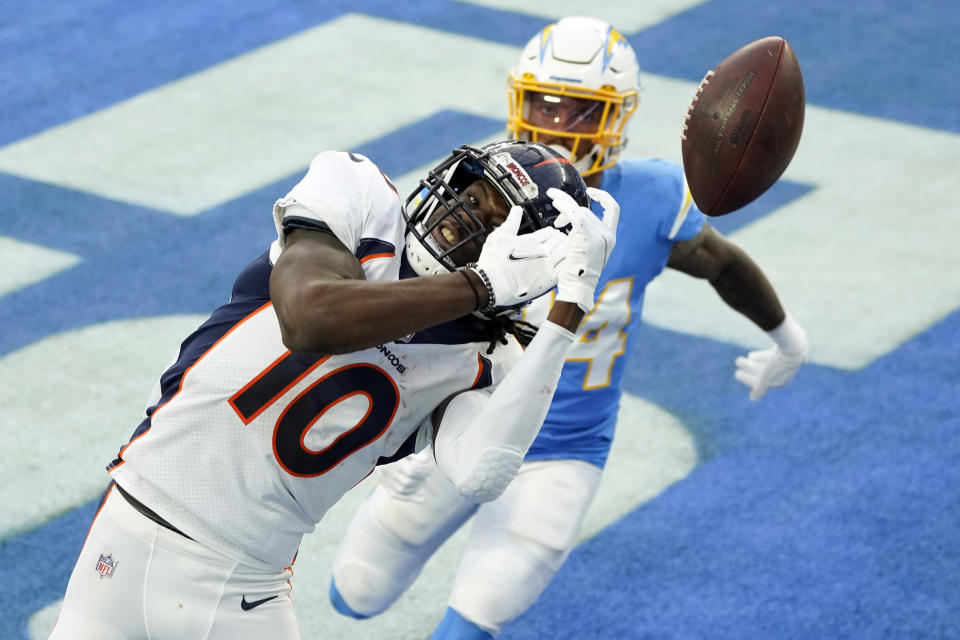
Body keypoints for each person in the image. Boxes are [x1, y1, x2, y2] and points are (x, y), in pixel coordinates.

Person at [328, 16, 809, 639]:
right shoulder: (481, 189)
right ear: (516, 99)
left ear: (617, 117)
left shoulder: (655, 197)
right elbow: (408, 299)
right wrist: (406, 423)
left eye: (581, 111)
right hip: (463, 419)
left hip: (561, 452)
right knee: (355, 593)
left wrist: (787, 336)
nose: (556, 125)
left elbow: (719, 260)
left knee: (472, 623)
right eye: (543, 104)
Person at [47, 139, 621, 640]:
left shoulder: (487, 358)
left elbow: (481, 473)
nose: (460, 219)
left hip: (243, 586)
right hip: (128, 532)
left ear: (532, 261)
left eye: (495, 224)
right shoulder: (362, 196)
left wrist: (565, 317)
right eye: (470, 197)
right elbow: (309, 319)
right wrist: (480, 284)